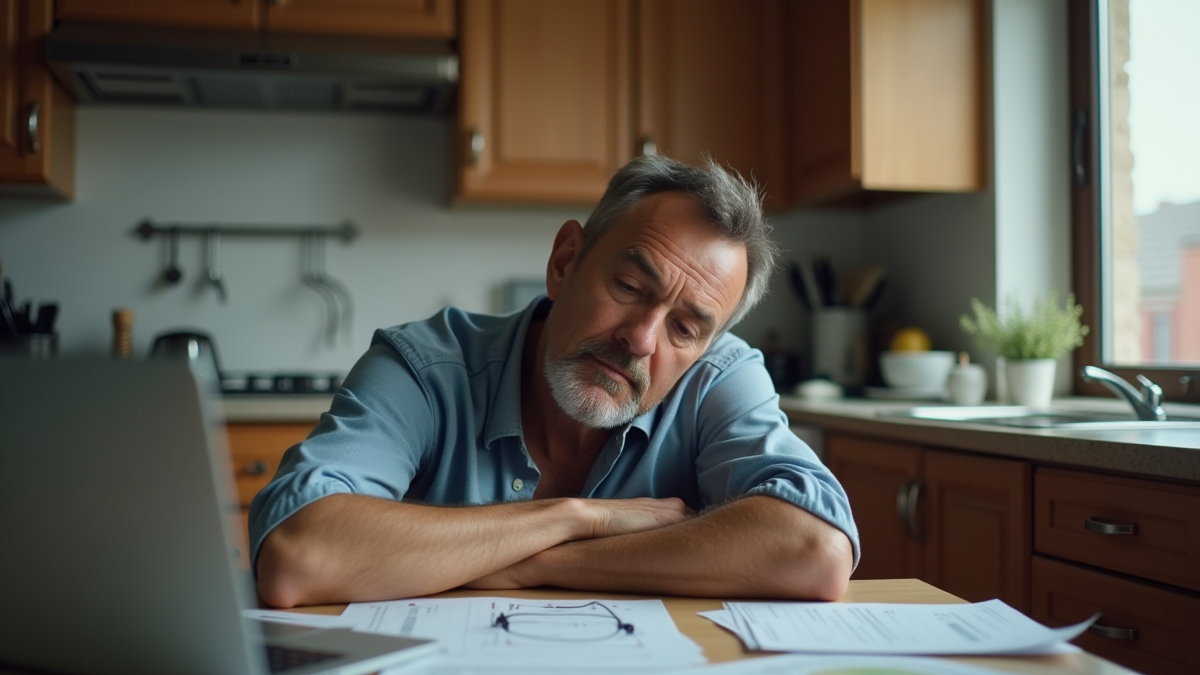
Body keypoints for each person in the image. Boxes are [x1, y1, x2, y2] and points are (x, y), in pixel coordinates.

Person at [251, 155, 858, 608]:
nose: (642, 339)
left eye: (685, 327)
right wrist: (575, 518)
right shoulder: (426, 366)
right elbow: (301, 553)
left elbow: (814, 550)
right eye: (628, 288)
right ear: (565, 262)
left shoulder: (719, 376)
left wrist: (528, 566)